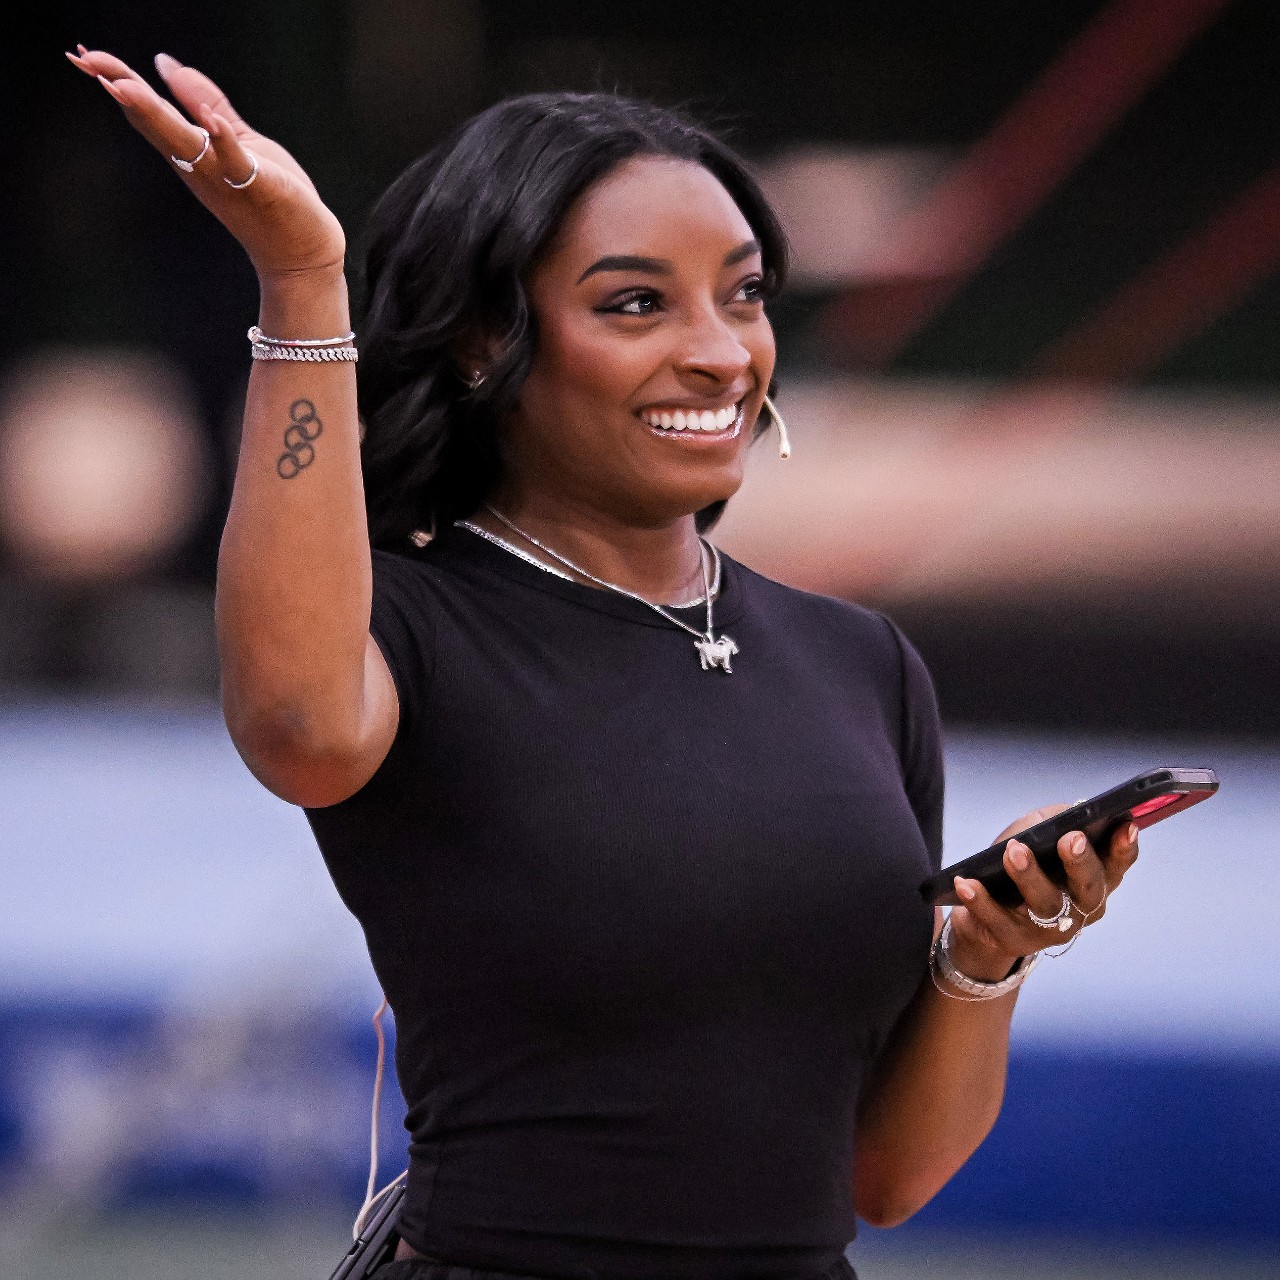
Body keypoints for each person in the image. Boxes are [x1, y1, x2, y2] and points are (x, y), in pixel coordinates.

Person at [71, 46, 1143, 1280]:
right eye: (636, 303)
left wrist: (983, 955)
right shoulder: (416, 627)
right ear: (485, 342)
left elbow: (879, 1175)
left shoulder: (862, 663)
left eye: (742, 295)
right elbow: (300, 727)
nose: (719, 351)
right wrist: (305, 280)